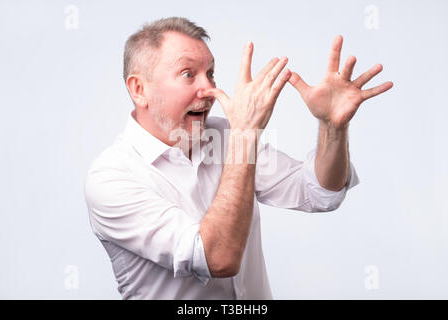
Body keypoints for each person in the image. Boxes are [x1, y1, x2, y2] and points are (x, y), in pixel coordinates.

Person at [84, 17, 392, 299]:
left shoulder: (225, 136)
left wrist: (332, 127)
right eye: (188, 74)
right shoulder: (111, 179)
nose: (209, 89)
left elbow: (319, 192)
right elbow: (216, 257)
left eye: (211, 73)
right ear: (139, 89)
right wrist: (246, 135)